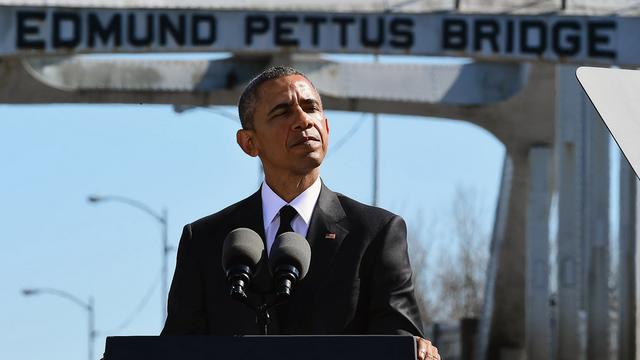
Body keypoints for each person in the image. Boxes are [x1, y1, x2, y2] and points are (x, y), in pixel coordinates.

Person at [161, 66, 440, 360]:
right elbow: (178, 347)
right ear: (249, 143)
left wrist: (416, 349)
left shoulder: (376, 232)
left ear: (327, 127)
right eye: (282, 112)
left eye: (311, 108)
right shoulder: (204, 240)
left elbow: (399, 343)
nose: (303, 120)